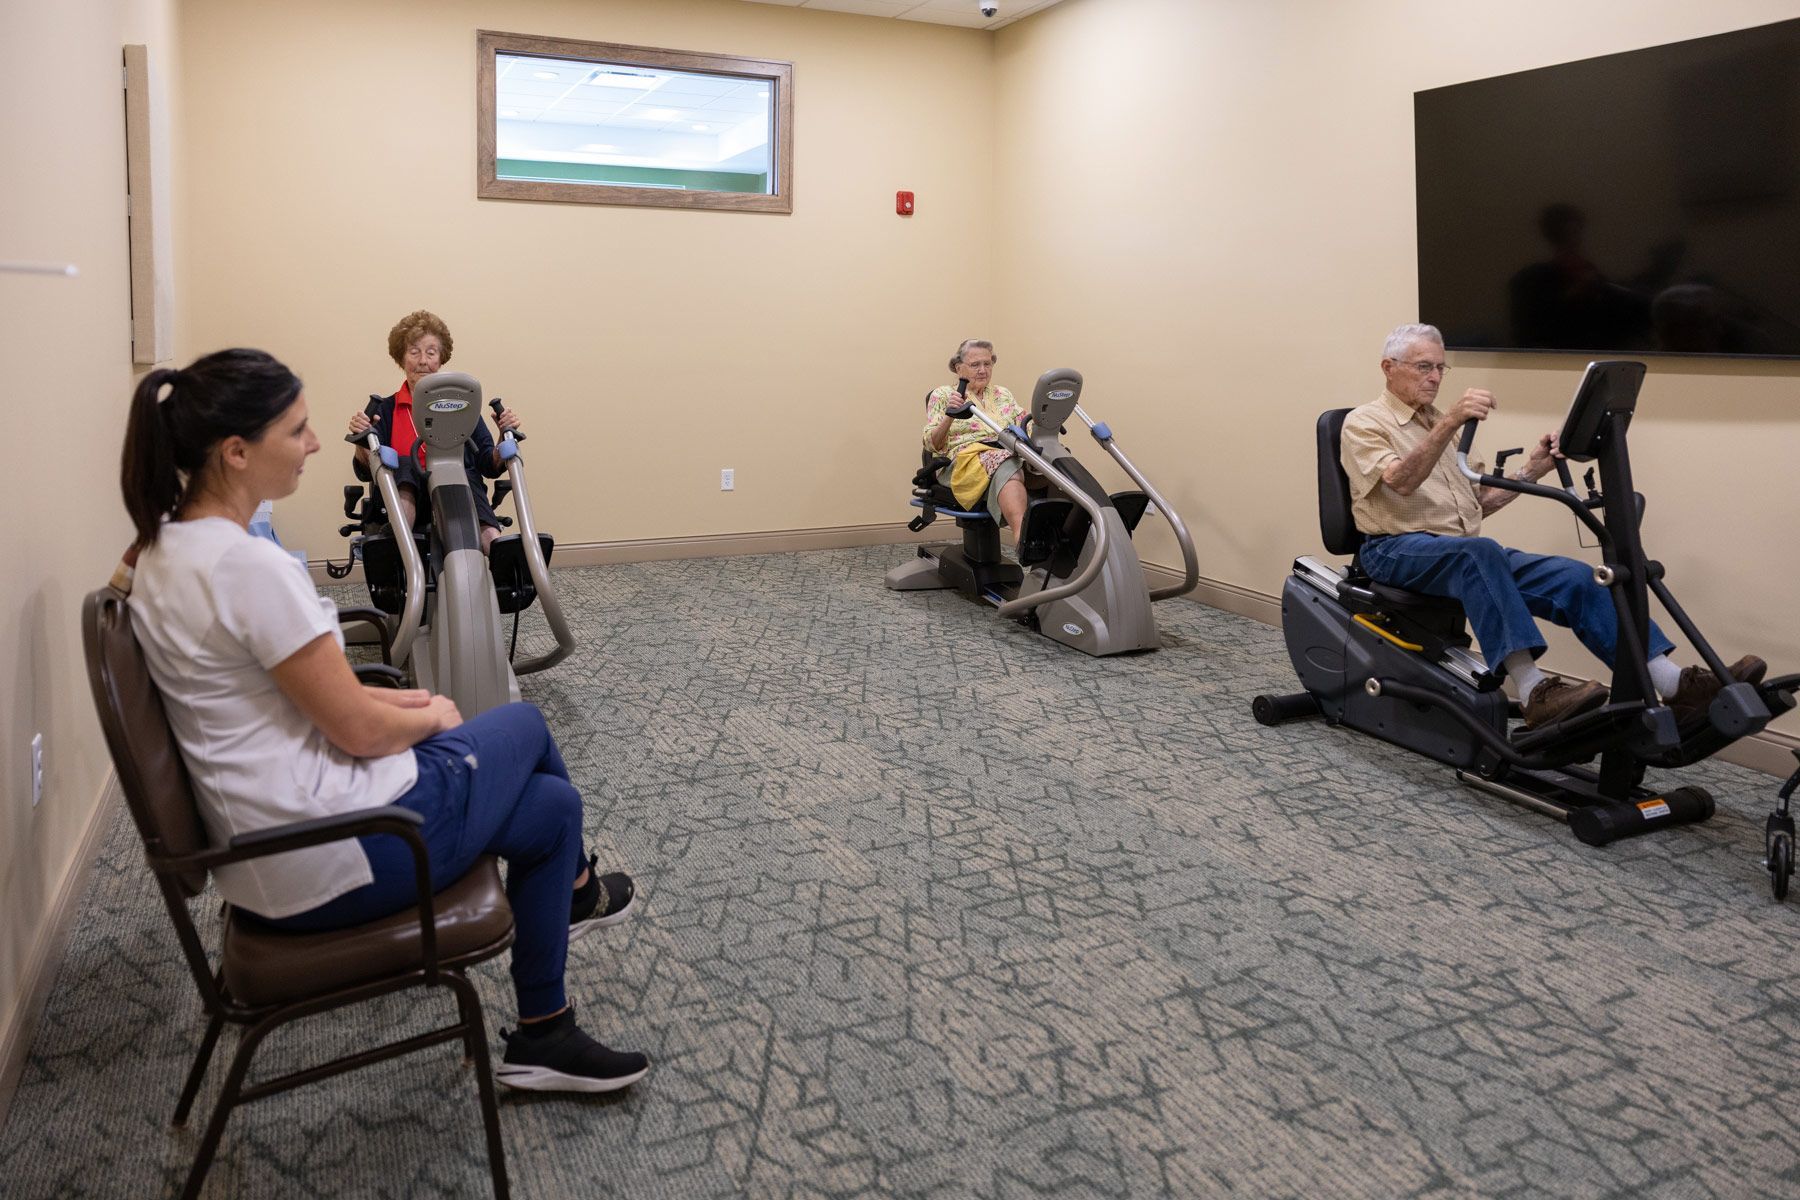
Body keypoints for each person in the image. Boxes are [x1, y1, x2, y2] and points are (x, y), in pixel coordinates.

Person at [119, 348, 648, 1093]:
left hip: (277, 843)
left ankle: (545, 1031)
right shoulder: (248, 569)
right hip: (339, 851)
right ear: (236, 453)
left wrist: (401, 705)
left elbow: (302, 701)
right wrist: (428, 712)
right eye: (296, 431)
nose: (312, 445)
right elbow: (360, 733)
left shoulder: (166, 549)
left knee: (553, 808)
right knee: (522, 730)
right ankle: (576, 896)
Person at [1339, 323, 1763, 730]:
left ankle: (1672, 684)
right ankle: (1533, 690)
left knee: (1576, 579)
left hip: (1459, 552)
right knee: (1479, 553)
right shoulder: (1365, 423)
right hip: (1393, 551)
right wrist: (1451, 421)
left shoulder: (1438, 425)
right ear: (1388, 367)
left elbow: (1478, 504)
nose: (1434, 378)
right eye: (1423, 367)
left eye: (1439, 368)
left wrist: (1533, 470)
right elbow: (1399, 481)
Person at [348, 310, 518, 553]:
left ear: (441, 359)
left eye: (431, 352)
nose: (423, 361)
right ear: (402, 358)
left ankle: (501, 558)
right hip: (406, 495)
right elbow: (367, 470)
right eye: (414, 351)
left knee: (466, 476)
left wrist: (504, 435)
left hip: (455, 489)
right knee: (405, 465)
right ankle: (399, 546)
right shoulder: (386, 409)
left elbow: (488, 464)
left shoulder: (461, 407)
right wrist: (362, 439)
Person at [922, 338, 1030, 532]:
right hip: (963, 460)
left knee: (1050, 462)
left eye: (987, 363)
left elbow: (1025, 425)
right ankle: (1022, 535)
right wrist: (950, 415)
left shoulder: (1002, 394)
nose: (982, 370)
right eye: (975, 365)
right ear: (958, 368)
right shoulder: (944, 395)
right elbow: (932, 444)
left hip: (1007, 452)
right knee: (1007, 463)